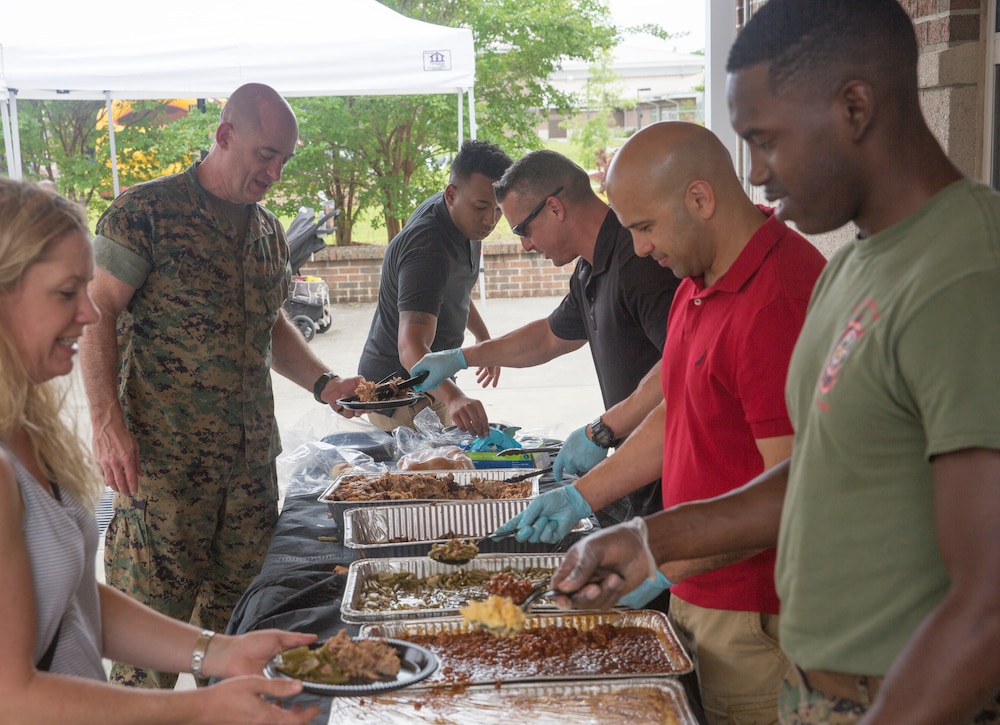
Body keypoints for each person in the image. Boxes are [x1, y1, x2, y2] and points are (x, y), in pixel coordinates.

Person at [551, 1, 1000, 723]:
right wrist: (646, 538)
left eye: (765, 141)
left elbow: (987, 598)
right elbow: (813, 473)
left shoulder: (963, 271)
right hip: (816, 687)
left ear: (854, 106)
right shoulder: (855, 265)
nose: (755, 173)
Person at [0, 177, 320, 724]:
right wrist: (201, 709)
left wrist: (218, 651)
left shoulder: (16, 426)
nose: (91, 311)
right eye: (65, 293)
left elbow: (73, 598)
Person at [511, 121, 823, 725]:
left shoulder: (779, 297)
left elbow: (794, 497)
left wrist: (654, 554)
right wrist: (581, 494)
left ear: (700, 199)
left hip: (752, 615)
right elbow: (676, 412)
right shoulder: (697, 278)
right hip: (696, 591)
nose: (641, 251)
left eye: (644, 228)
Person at [80, 83, 362, 689]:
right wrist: (107, 424)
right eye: (265, 154)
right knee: (148, 655)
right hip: (162, 476)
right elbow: (97, 311)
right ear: (224, 135)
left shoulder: (267, 230)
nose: (274, 171)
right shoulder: (144, 213)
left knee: (239, 647)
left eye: (284, 159)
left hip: (247, 478)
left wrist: (325, 383)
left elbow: (271, 323)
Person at [411, 149, 679, 529]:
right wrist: (462, 357)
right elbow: (550, 336)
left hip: (675, 464)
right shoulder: (589, 268)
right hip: (639, 464)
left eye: (523, 229)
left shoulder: (640, 262)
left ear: (555, 208)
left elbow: (682, 366)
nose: (526, 245)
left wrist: (603, 429)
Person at [357, 139, 512, 439]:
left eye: (498, 210)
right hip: (401, 395)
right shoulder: (427, 248)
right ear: (451, 194)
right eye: (481, 207)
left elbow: (453, 291)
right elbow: (410, 349)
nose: (490, 221)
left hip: (430, 384)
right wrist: (453, 397)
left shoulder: (465, 220)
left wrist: (483, 337)